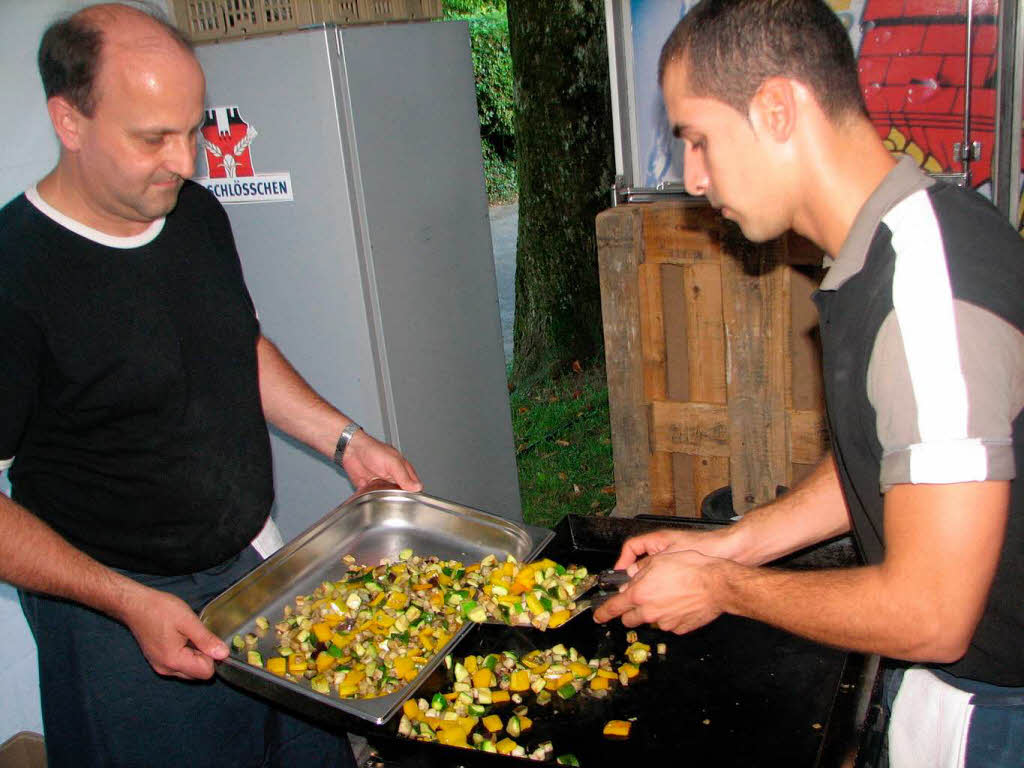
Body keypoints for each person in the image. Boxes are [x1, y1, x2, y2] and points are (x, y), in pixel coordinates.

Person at [593, 1, 1023, 765]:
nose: (692, 178)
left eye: (698, 138)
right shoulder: (902, 237)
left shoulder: (924, 295)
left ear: (777, 108)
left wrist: (725, 591)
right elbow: (899, 452)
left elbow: (932, 613)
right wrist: (731, 548)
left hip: (995, 707)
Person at [0, 4, 422, 766]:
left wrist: (346, 440)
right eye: (152, 137)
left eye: (192, 129)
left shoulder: (193, 213)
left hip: (249, 565)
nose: (187, 160)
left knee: (307, 752)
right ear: (69, 120)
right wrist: (127, 602)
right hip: (113, 604)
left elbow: (238, 347)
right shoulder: (13, 275)